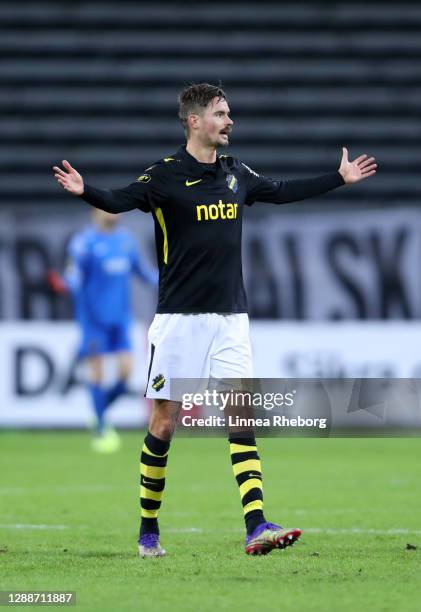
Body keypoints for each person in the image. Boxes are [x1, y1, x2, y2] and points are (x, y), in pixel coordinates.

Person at [52, 83, 377, 555]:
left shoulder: (235, 172)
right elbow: (121, 200)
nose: (230, 121)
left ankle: (256, 524)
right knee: (164, 423)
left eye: (229, 114)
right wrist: (87, 193)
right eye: (222, 114)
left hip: (231, 316)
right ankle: (148, 530)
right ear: (194, 121)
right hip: (179, 320)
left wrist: (337, 178)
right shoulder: (164, 176)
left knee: (239, 415)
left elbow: (281, 192)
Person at [48, 208, 158, 453]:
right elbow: (74, 275)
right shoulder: (84, 243)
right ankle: (100, 431)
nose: (113, 212)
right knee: (97, 374)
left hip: (120, 319)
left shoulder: (126, 241)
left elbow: (144, 273)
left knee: (127, 373)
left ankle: (99, 413)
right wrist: (65, 284)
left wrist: (171, 279)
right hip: (93, 320)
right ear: (94, 211)